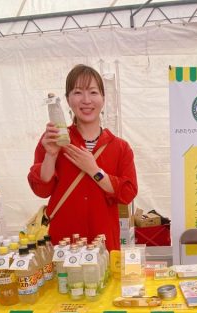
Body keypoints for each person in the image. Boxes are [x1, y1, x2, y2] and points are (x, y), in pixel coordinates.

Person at [28, 65, 137, 251]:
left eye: (93, 92)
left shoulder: (119, 147)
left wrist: (95, 171)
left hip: (104, 245)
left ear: (103, 98)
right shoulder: (54, 140)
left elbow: (127, 193)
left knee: (105, 271)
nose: (86, 100)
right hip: (63, 244)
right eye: (78, 92)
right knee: (59, 272)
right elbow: (41, 190)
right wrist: (51, 155)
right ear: (68, 99)